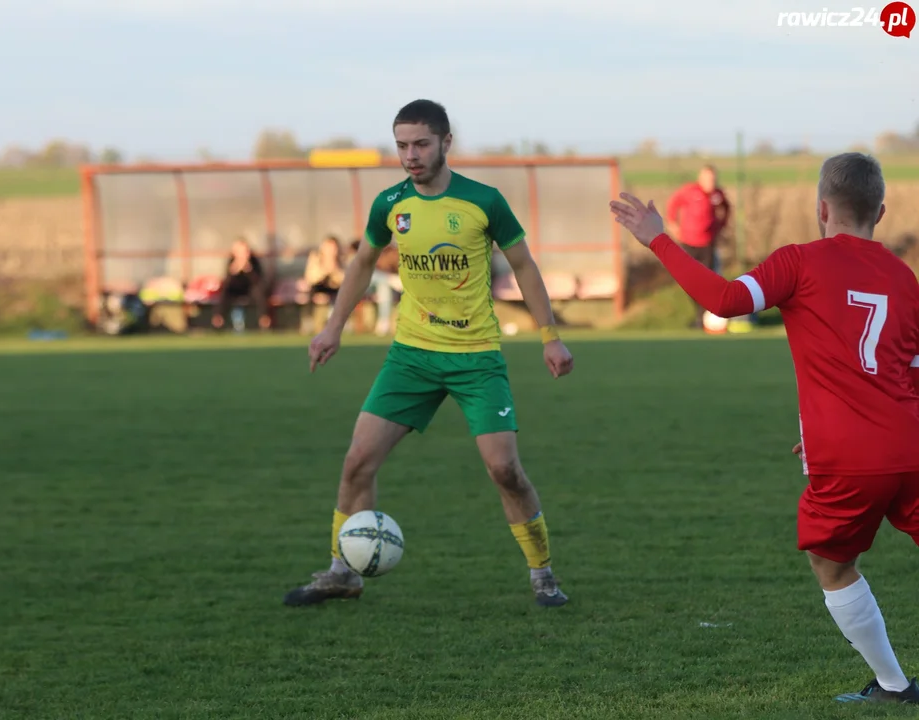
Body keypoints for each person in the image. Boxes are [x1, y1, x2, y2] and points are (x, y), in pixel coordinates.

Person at [609, 152, 919, 704]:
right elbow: (909, 370)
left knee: (831, 561)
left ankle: (894, 686)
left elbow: (725, 301)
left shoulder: (799, 261)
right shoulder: (903, 275)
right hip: (911, 442)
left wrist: (658, 238)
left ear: (821, 208)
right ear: (882, 210)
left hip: (848, 456)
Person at [282, 99, 575, 609]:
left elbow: (525, 266)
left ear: (445, 143)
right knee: (357, 463)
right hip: (411, 356)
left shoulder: (483, 201)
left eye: (420, 144)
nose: (410, 156)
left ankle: (542, 573)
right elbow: (361, 265)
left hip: (476, 356)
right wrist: (333, 328)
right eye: (401, 146)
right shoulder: (390, 203)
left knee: (504, 470)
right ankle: (341, 572)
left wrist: (549, 336)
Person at [664, 165, 731, 328]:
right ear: (700, 178)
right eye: (707, 178)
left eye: (713, 179)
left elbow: (726, 209)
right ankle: (700, 316)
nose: (710, 182)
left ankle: (704, 319)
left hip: (708, 244)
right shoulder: (689, 191)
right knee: (690, 282)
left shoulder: (717, 195)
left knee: (707, 282)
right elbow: (672, 204)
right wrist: (673, 225)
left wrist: (721, 225)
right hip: (688, 243)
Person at [212, 237, 271, 330]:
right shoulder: (231, 261)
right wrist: (234, 271)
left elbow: (259, 281)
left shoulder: (254, 261)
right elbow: (227, 282)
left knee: (259, 292)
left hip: (250, 290)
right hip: (235, 290)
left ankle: (264, 320)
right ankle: (218, 319)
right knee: (225, 292)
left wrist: (249, 270)